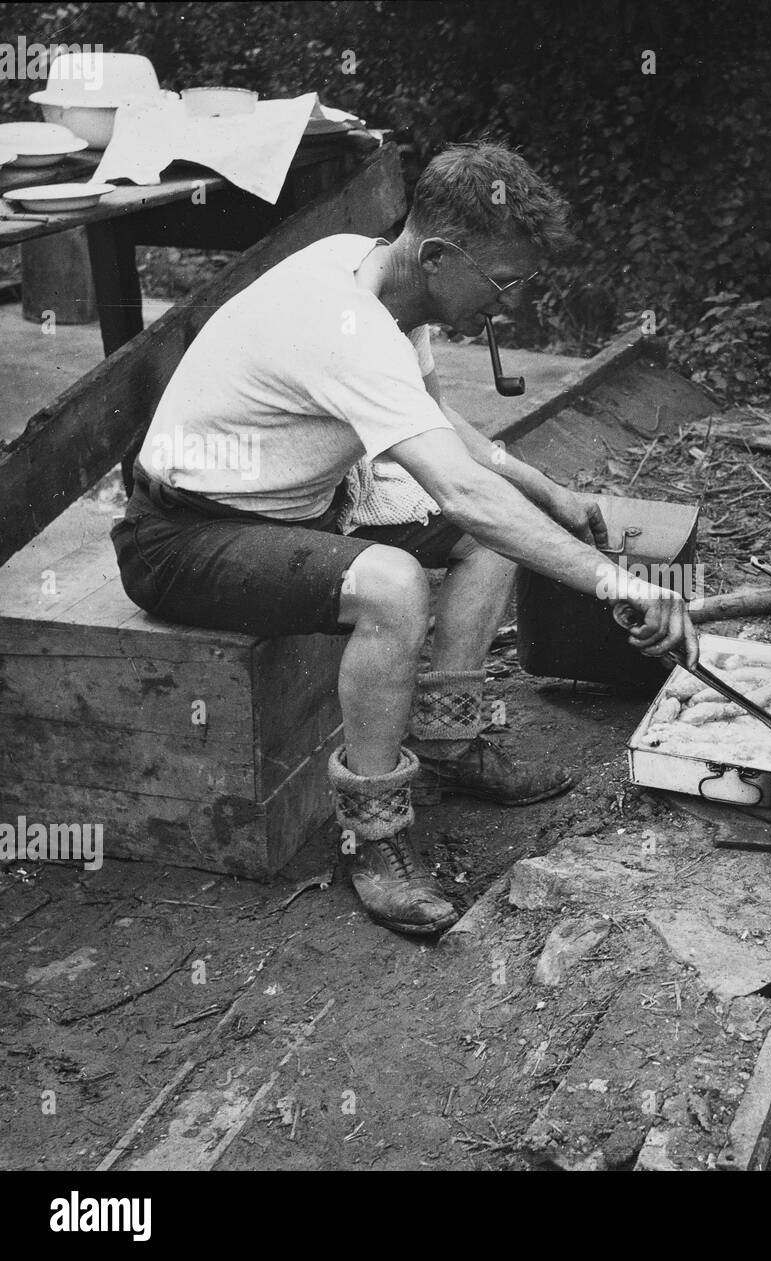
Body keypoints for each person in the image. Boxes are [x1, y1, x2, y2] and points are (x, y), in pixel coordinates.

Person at [111, 141, 697, 937]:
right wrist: (618, 582)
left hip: (296, 506)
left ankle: (451, 742)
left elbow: (437, 423)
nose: (513, 304)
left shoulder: (379, 277)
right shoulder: (346, 324)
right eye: (504, 281)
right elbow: (456, 483)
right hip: (182, 534)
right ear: (438, 255)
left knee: (486, 540)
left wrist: (546, 487)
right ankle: (375, 835)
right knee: (395, 584)